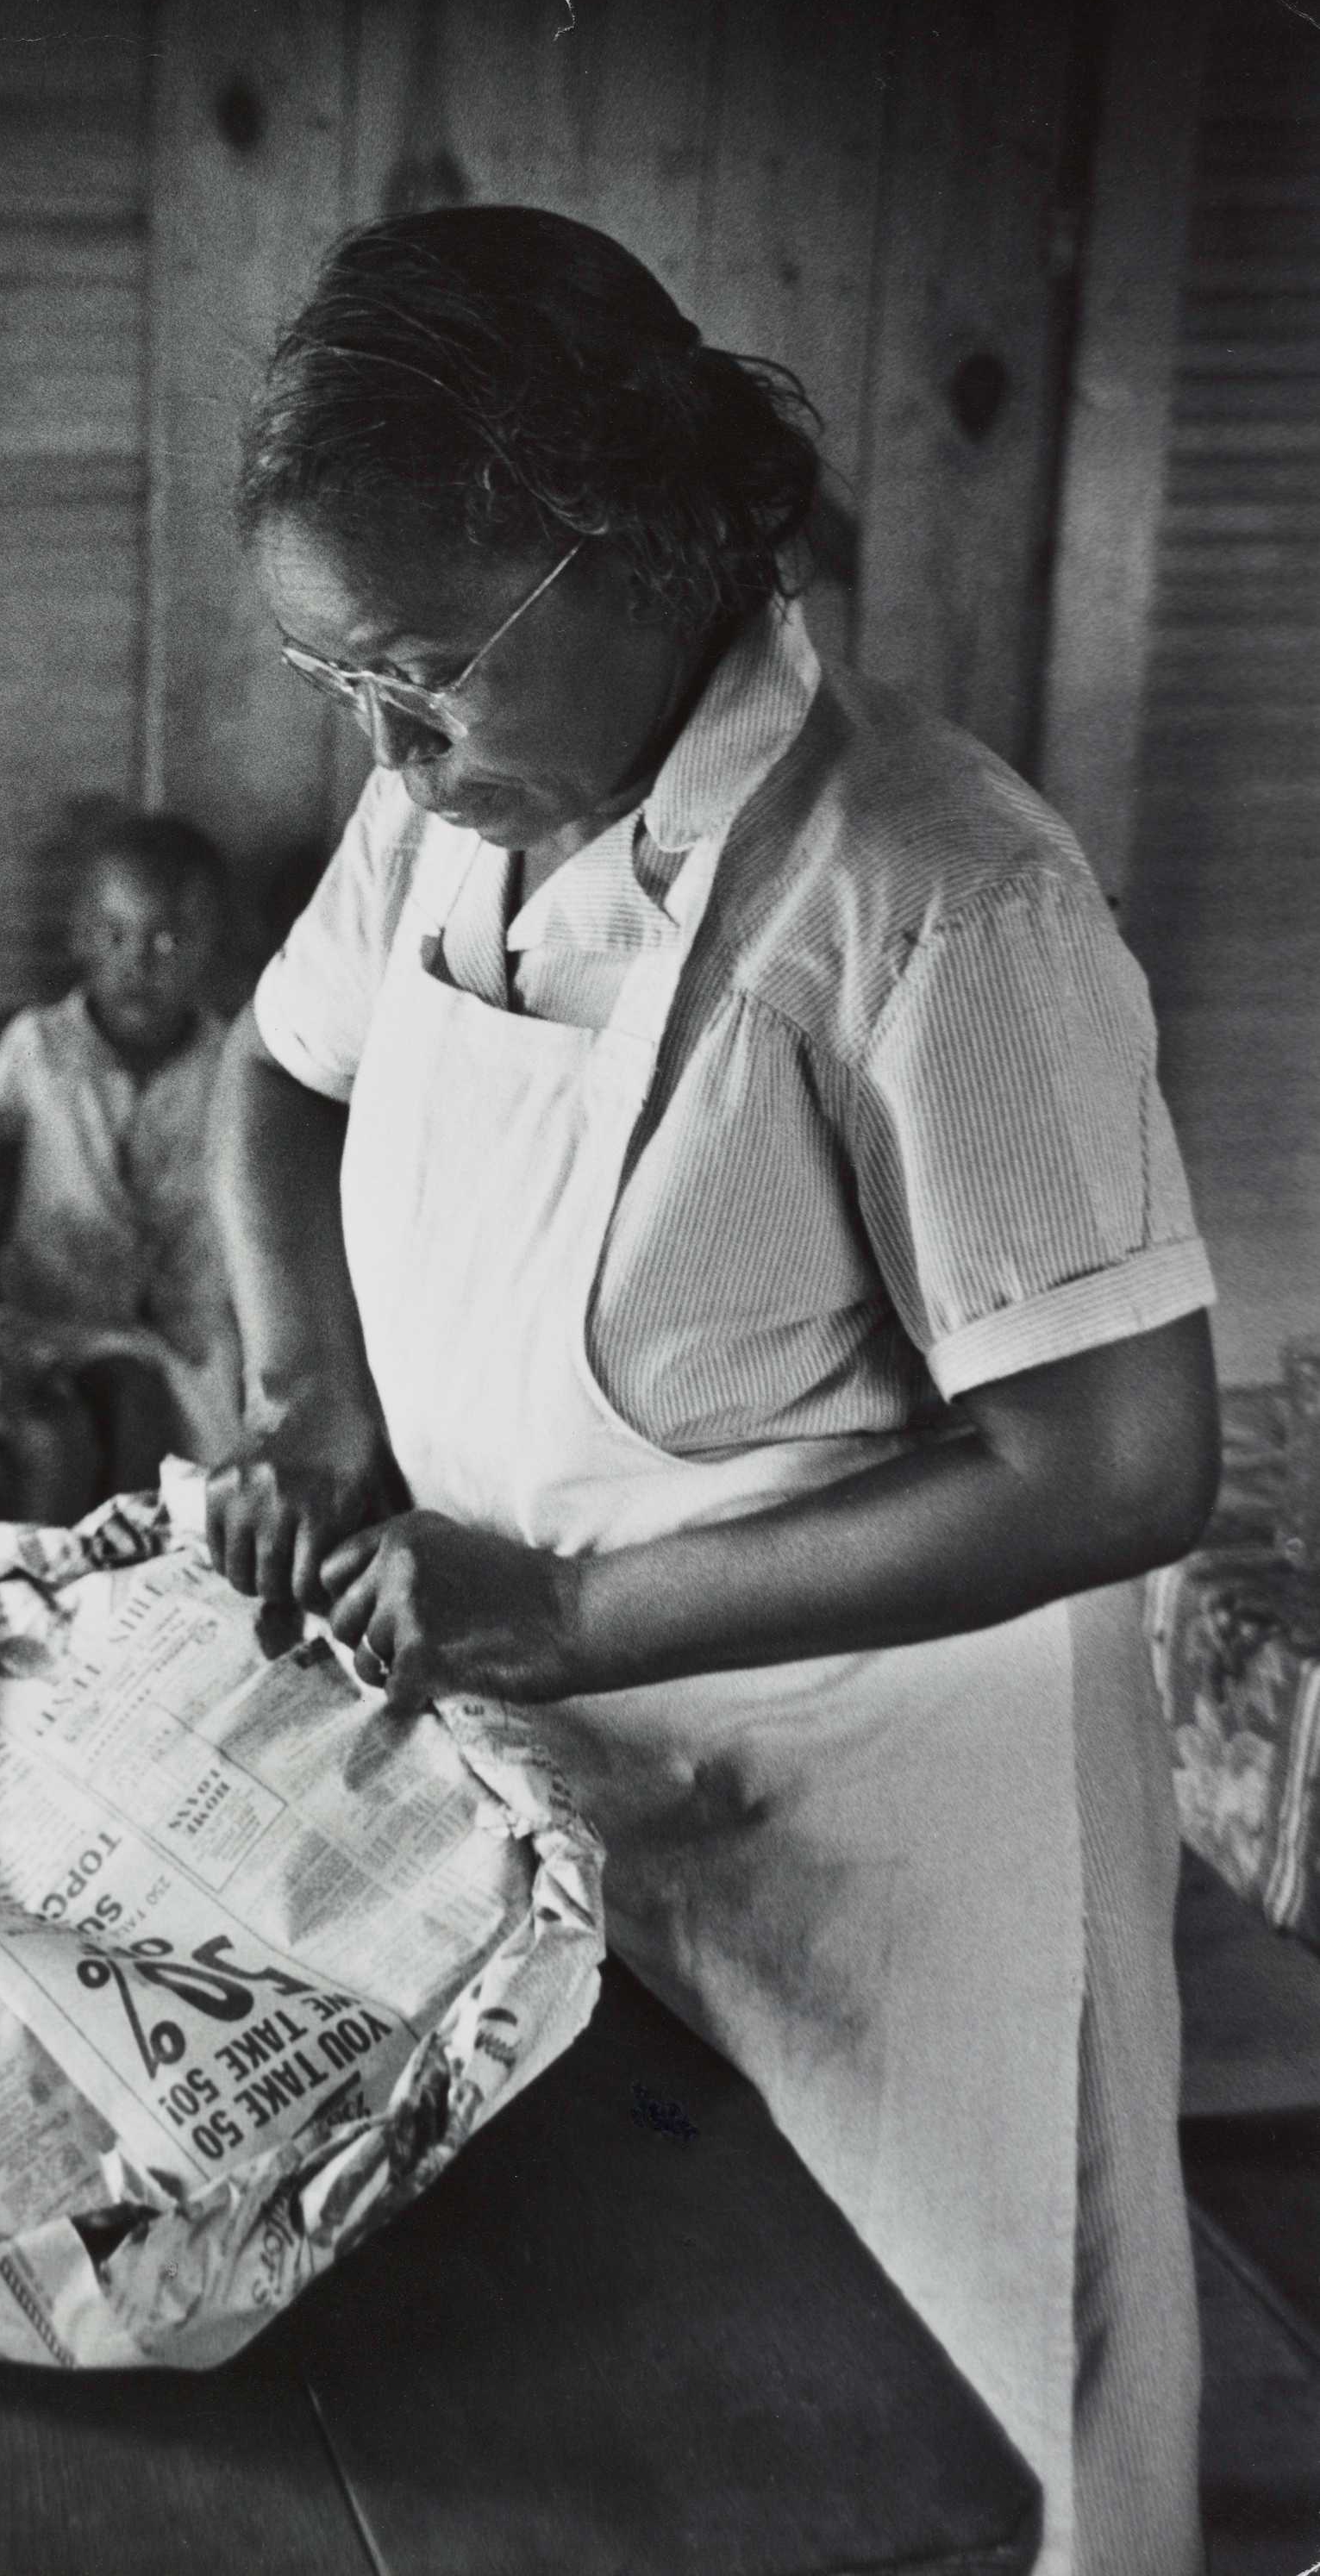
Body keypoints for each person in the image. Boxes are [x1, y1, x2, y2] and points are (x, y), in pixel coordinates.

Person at [205, 205, 1218, 2576]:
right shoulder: (447, 811)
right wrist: (299, 1404)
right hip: (591, 1791)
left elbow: (1118, 1459)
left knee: (979, 2449)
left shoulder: (932, 894)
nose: (384, 743)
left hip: (901, 1850)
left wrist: (560, 1610)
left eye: (428, 673)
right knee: (671, 2446)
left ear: (639, 546)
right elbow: (274, 1076)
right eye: (338, 678)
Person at [0, 807, 241, 1490]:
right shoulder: (38, 1047)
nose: (137, 963)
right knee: (88, 1429)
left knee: (184, 1461)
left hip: (188, 1333)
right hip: (56, 1314)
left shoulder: (236, 1065)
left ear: (211, 947)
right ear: (77, 936)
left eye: (167, 942)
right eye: (113, 934)